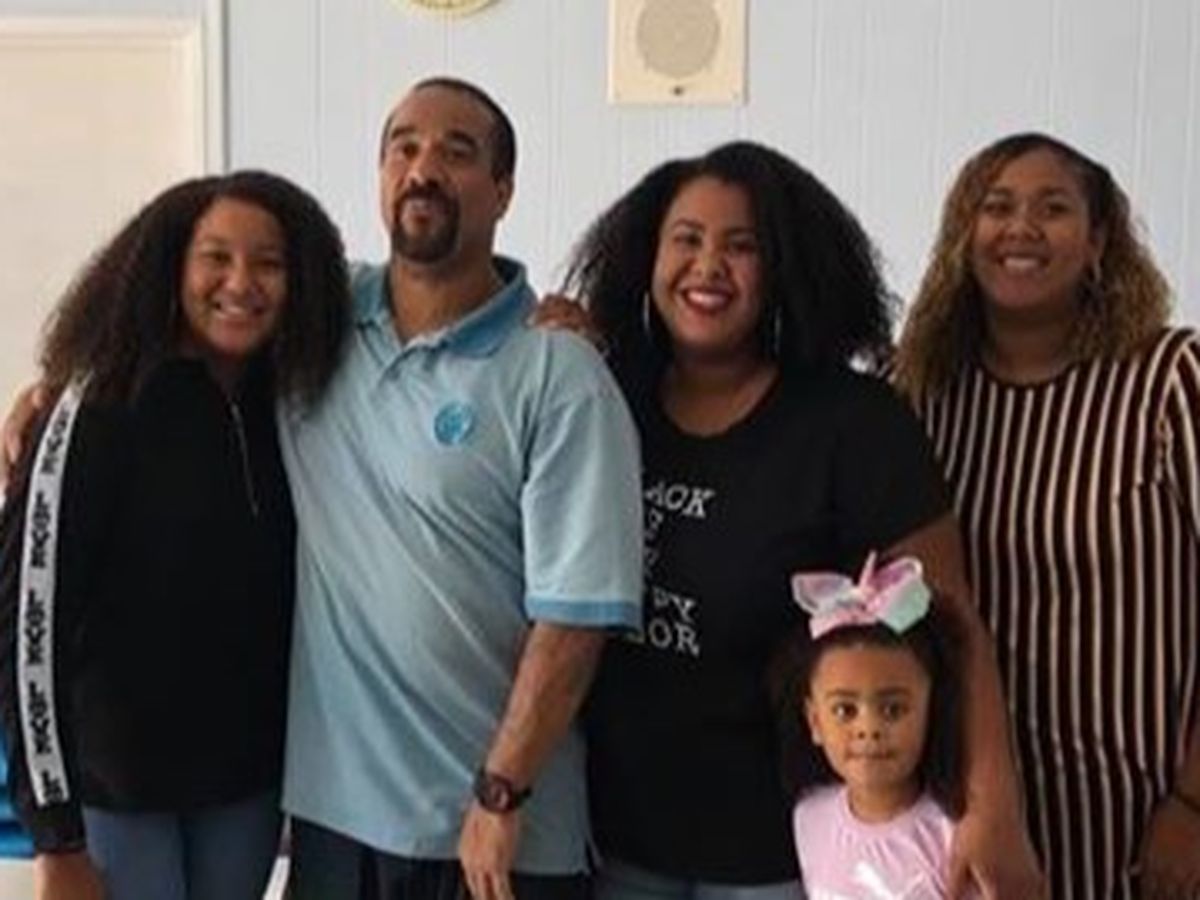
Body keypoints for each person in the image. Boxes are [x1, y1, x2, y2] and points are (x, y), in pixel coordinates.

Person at [556, 140, 1041, 899]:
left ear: (785, 269)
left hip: (792, 852)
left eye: (741, 247)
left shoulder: (854, 423)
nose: (708, 266)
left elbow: (951, 625)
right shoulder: (599, 397)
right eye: (687, 240)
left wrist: (991, 808)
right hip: (617, 839)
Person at [274, 77, 643, 900]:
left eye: (457, 151)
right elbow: (187, 320)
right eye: (403, 147)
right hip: (336, 825)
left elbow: (576, 619)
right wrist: (54, 393)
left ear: (503, 190)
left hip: (497, 835)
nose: (424, 168)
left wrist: (502, 790)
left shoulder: (559, 373)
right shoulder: (313, 326)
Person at [0, 171, 349, 900]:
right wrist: (55, 835)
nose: (241, 283)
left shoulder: (297, 401)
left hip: (244, 790)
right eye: (215, 257)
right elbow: (29, 625)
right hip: (118, 795)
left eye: (269, 263)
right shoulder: (95, 406)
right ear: (169, 266)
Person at [892, 131, 1200, 899]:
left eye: (1053, 209)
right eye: (996, 207)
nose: (1021, 228)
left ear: (1098, 242)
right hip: (962, 810)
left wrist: (1195, 803)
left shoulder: (1169, 380)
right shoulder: (919, 391)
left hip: (1144, 818)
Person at [788, 554, 967, 899]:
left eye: (893, 709)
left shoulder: (951, 833)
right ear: (815, 721)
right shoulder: (809, 818)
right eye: (845, 710)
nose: (868, 728)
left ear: (930, 710)